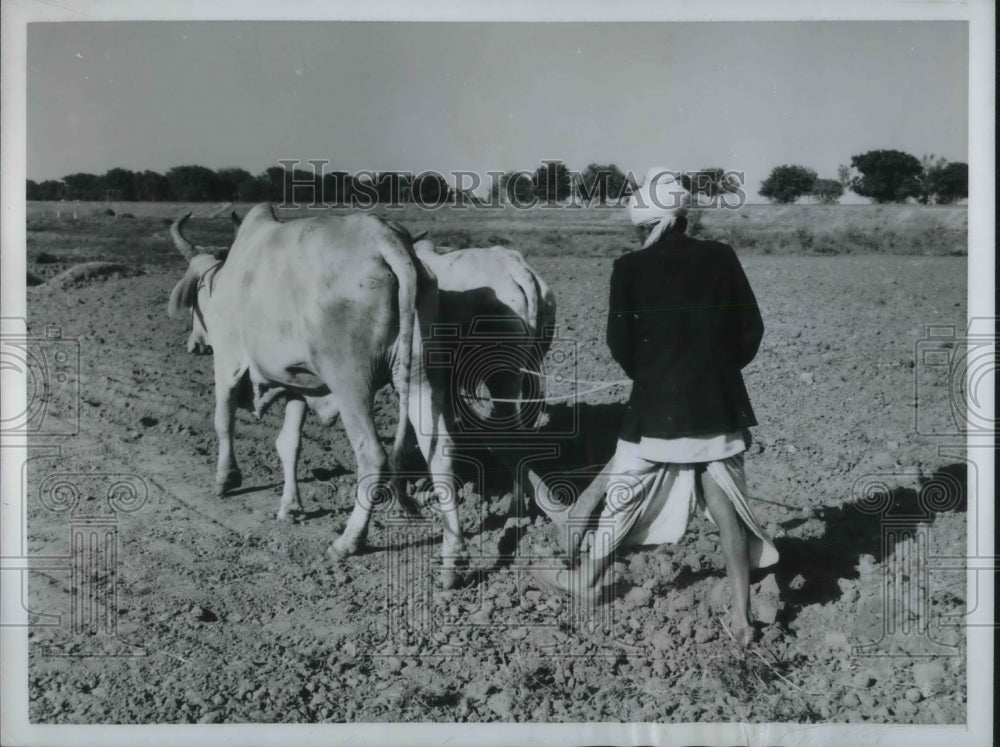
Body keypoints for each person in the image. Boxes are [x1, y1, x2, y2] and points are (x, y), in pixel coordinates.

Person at [533, 167, 779, 646]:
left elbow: (619, 342)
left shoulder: (628, 268)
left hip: (655, 409)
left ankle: (583, 580)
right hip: (717, 407)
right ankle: (741, 615)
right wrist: (718, 372)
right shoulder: (721, 257)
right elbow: (750, 329)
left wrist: (653, 379)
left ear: (648, 224)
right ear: (682, 218)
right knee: (726, 503)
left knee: (621, 496)